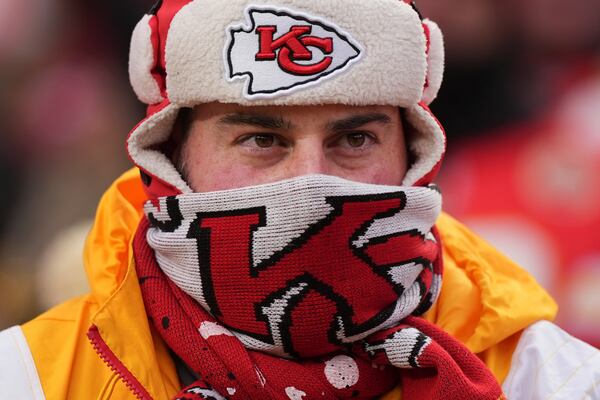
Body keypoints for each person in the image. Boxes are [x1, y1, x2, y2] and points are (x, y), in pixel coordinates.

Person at [1, 0, 598, 399]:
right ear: (168, 157)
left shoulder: (549, 381)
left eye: (355, 139)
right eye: (262, 139)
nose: (310, 181)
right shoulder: (31, 379)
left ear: (415, 159)